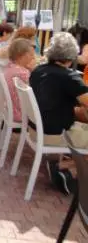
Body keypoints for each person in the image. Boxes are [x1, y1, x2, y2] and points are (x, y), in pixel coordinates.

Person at [29, 32, 88, 195]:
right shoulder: (69, 77)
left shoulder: (38, 71)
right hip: (56, 133)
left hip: (36, 128)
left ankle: (62, 166)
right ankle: (67, 170)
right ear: (71, 57)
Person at [3, 38, 36, 123]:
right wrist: (34, 71)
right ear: (21, 55)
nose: (33, 57)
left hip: (9, 109)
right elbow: (34, 95)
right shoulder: (23, 73)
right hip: (20, 114)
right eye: (31, 54)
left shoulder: (9, 66)